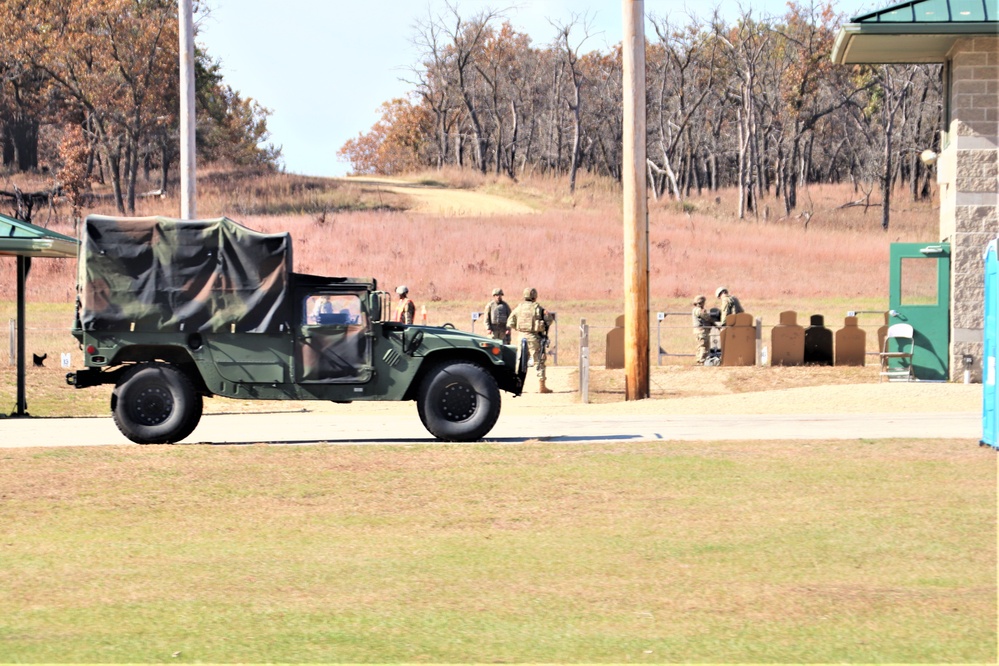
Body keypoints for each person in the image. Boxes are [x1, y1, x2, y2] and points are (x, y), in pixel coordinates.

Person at [507, 287, 553, 393]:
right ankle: (542, 385)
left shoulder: (519, 308)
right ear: (534, 297)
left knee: (520, 362)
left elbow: (510, 322)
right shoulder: (538, 308)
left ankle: (517, 385)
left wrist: (520, 329)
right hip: (534, 338)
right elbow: (549, 320)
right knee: (539, 360)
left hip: (521, 337)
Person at [691, 295, 714, 365]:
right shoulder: (699, 310)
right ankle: (702, 361)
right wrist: (712, 321)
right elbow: (706, 317)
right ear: (701, 302)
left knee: (700, 346)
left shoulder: (695, 309)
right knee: (704, 346)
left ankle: (699, 361)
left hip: (698, 331)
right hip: (701, 331)